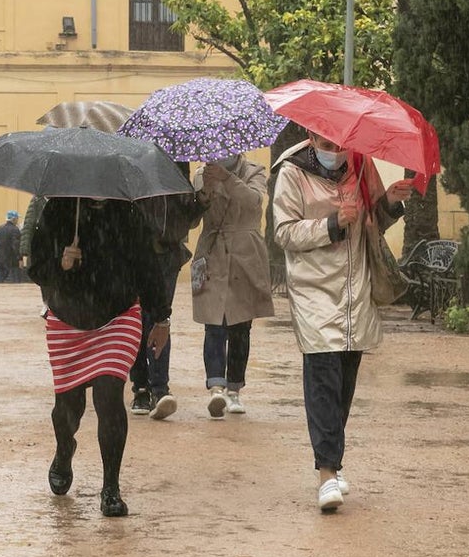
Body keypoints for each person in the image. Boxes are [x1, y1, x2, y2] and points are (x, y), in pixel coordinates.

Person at [273, 131, 413, 512]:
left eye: (340, 145)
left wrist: (391, 202)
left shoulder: (362, 163)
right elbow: (283, 232)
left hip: (355, 289)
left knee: (344, 381)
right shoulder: (290, 171)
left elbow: (374, 221)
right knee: (323, 379)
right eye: (326, 145)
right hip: (314, 291)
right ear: (310, 137)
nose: (335, 152)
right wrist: (331, 224)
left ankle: (332, 462)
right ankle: (326, 473)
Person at [28, 197, 170, 517]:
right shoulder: (59, 209)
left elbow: (147, 266)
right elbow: (35, 268)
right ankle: (65, 450)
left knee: (108, 395)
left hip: (117, 316)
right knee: (69, 405)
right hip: (67, 316)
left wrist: (161, 318)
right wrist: (59, 263)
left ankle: (110, 489)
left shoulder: (129, 212)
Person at [191, 153, 275, 419]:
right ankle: (216, 385)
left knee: (240, 325)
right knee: (213, 322)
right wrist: (204, 192)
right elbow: (194, 216)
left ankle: (235, 388)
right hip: (213, 251)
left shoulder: (254, 171)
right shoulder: (201, 173)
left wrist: (228, 179)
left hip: (245, 253)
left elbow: (254, 203)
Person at [129, 168, 206, 420]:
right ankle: (140, 386)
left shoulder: (176, 166)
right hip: (135, 255)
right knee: (136, 321)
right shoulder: (131, 165)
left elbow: (189, 217)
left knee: (161, 318)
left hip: (167, 258)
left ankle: (160, 388)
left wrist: (202, 199)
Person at [0, 210, 23, 283]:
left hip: (0, 260)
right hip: (12, 261)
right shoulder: (15, 230)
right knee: (16, 284)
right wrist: (20, 259)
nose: (17, 220)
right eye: (17, 218)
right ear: (14, 219)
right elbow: (16, 246)